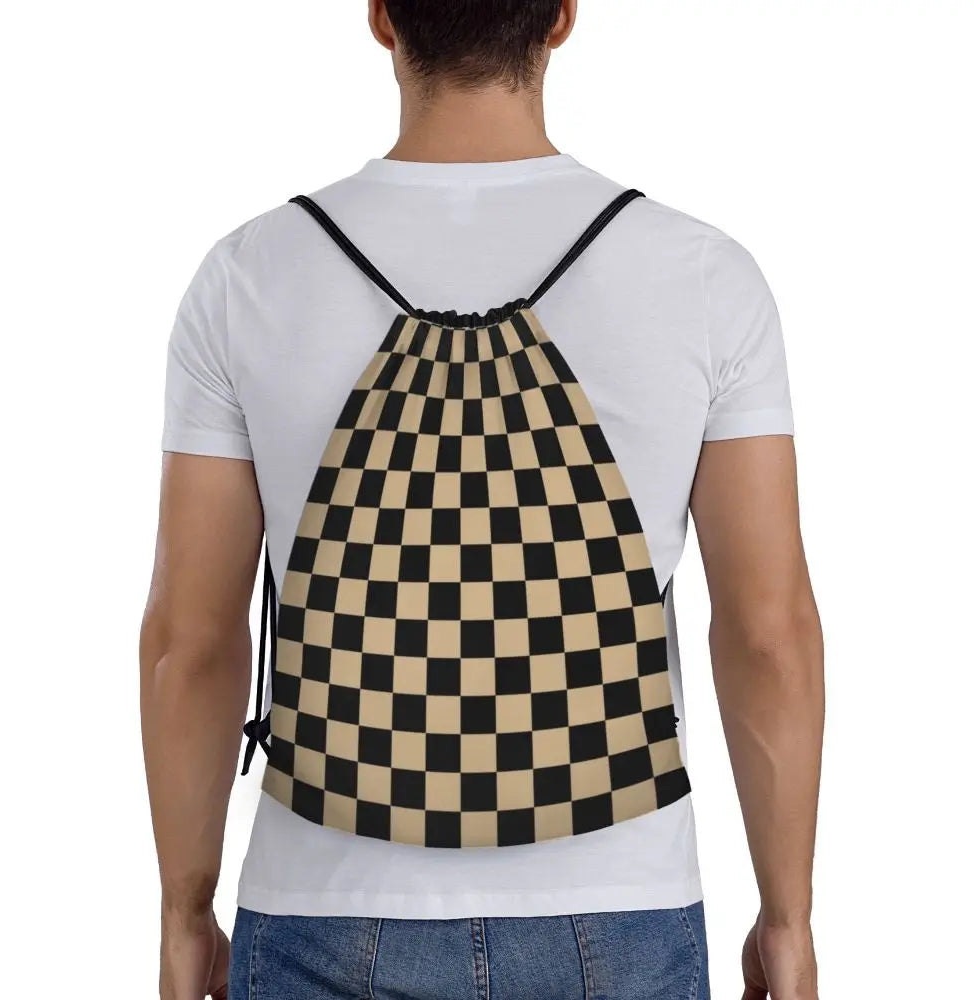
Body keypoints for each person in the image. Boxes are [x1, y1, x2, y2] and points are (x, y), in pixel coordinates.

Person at [140, 1, 824, 997]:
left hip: (323, 908)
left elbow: (190, 642)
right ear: (561, 17)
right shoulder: (703, 275)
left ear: (382, 17)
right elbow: (769, 634)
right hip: (620, 907)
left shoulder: (249, 275)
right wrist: (789, 917)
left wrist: (182, 911)